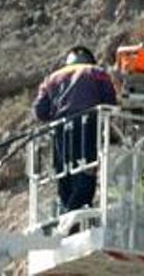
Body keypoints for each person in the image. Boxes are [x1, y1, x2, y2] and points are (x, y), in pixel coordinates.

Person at [32, 46, 117, 212]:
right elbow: (109, 103)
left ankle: (67, 212)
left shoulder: (52, 79)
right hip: (87, 127)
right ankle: (75, 212)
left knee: (64, 175)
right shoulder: (96, 72)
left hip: (61, 131)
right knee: (85, 175)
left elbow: (40, 111)